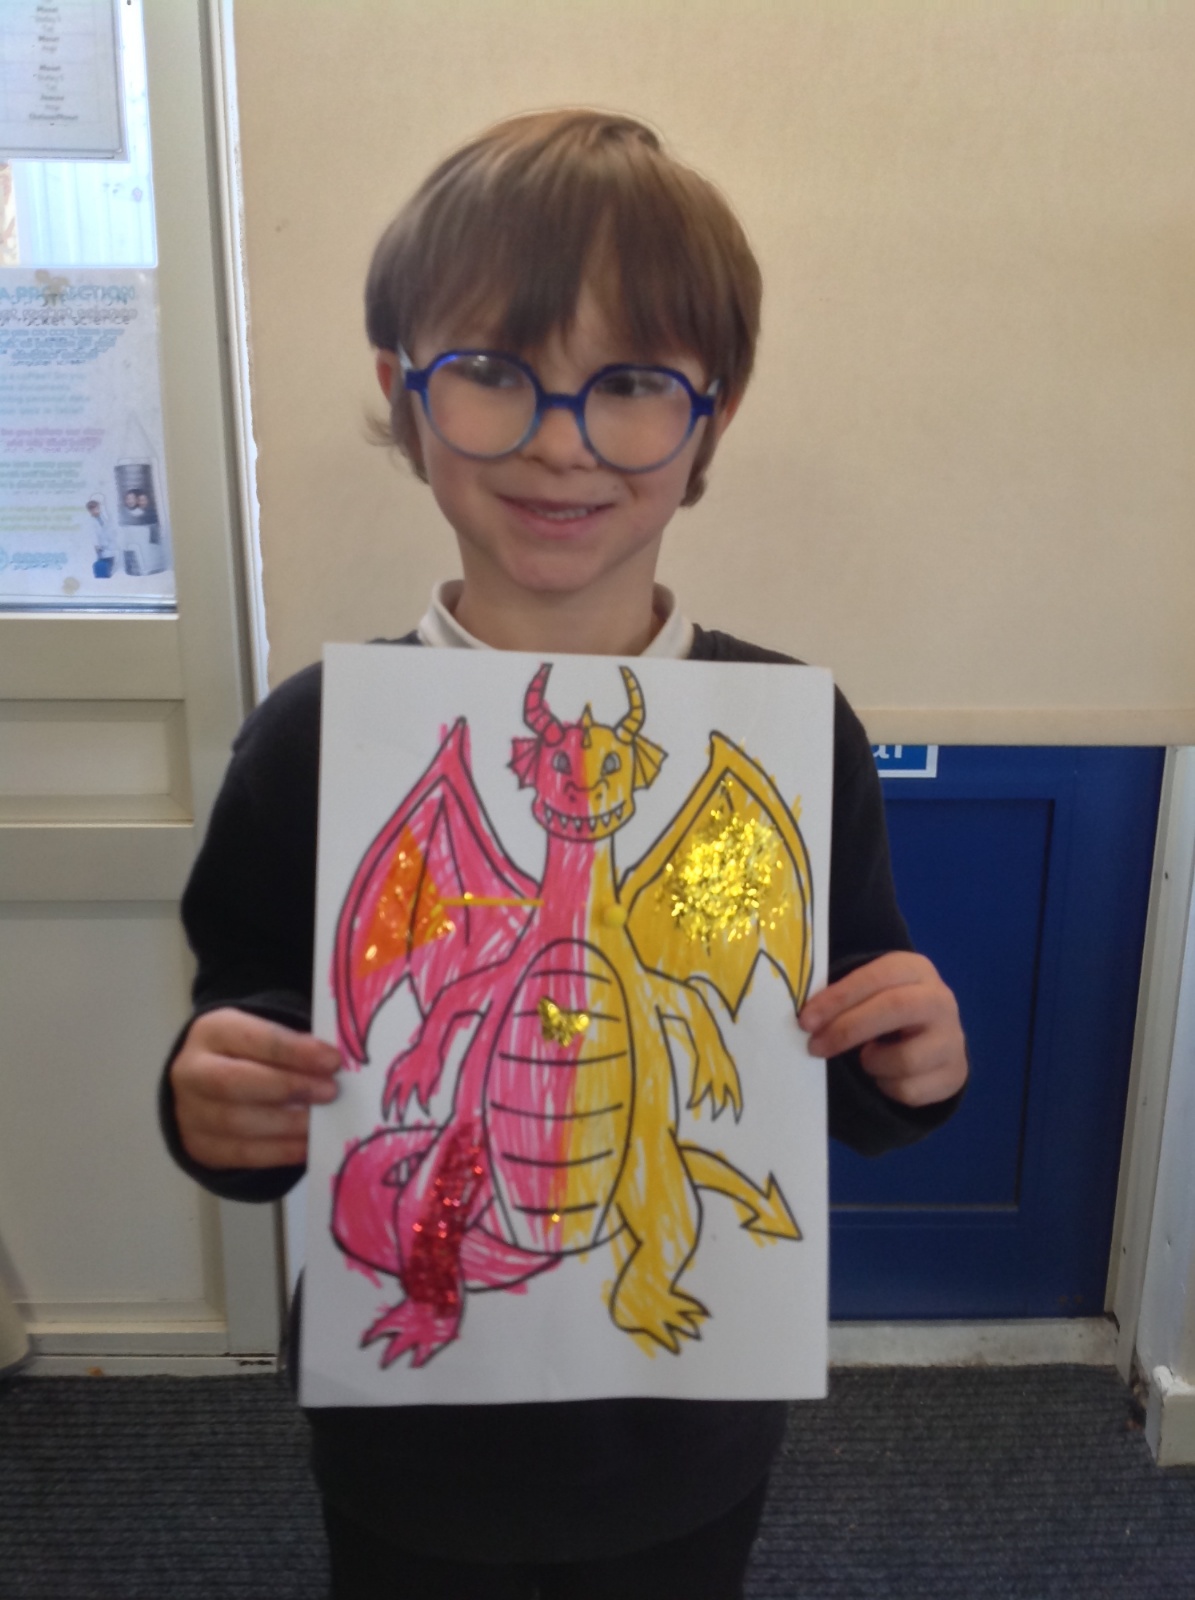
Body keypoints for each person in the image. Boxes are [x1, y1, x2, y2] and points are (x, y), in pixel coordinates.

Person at [160, 109, 968, 1600]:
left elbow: (821, 1048)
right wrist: (214, 1095)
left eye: (633, 384)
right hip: (413, 1434)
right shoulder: (317, 743)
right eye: (492, 370)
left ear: (710, 420)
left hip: (682, 1430)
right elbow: (261, 1019)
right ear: (406, 397)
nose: (558, 437)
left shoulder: (788, 740)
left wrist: (906, 1064)